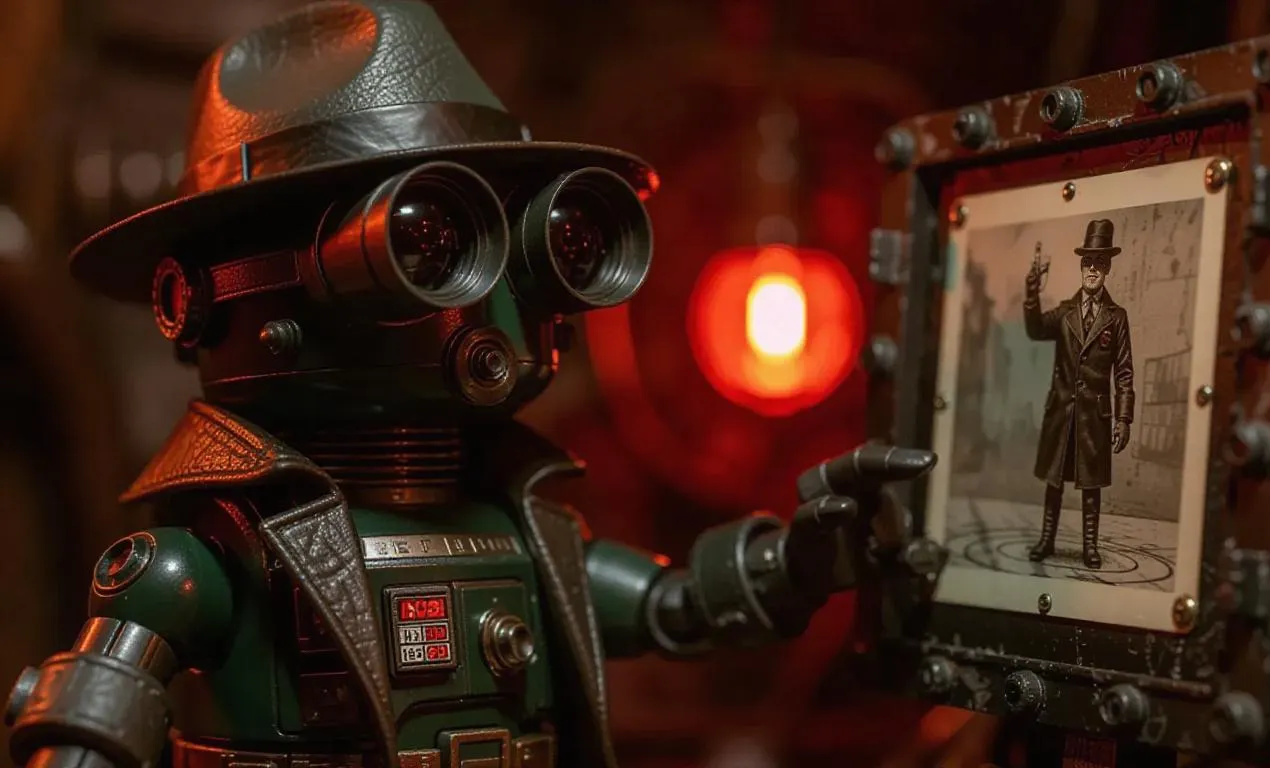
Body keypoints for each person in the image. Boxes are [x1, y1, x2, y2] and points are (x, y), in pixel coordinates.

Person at [0, 4, 936, 768]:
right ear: (197, 299)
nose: (484, 299)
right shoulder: (202, 562)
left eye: (536, 242)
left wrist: (796, 566)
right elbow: (93, 725)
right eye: (418, 244)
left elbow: (673, 607)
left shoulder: (523, 526)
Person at [1022, 218, 1134, 569]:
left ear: (1108, 268)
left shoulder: (1117, 317)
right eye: (1088, 262)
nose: (1092, 269)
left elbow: (1124, 372)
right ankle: (1046, 540)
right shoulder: (1065, 313)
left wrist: (1124, 419)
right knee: (1054, 482)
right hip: (1062, 412)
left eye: (1100, 263)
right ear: (1081, 266)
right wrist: (1031, 295)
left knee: (1091, 485)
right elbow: (1036, 329)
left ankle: (1090, 547)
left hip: (1094, 416)